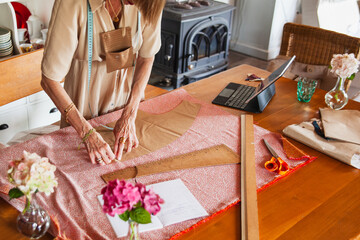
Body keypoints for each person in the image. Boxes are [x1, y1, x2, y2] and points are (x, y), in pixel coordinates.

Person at [40, 0, 165, 165]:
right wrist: (86, 133)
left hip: (126, 110)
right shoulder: (72, 3)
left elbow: (147, 56)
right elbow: (50, 80)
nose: (135, 4)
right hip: (80, 117)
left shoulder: (149, 3)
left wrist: (129, 114)